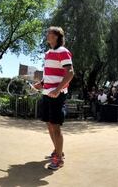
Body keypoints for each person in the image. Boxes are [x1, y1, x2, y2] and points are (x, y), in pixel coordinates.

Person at [34, 26, 74, 170]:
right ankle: (58, 151)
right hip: (46, 94)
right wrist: (42, 84)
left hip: (57, 95)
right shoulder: (48, 53)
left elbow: (70, 73)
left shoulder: (63, 52)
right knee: (50, 125)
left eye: (49, 33)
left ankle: (59, 159)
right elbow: (50, 75)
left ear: (56, 36)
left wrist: (58, 90)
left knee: (56, 127)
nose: (47, 35)